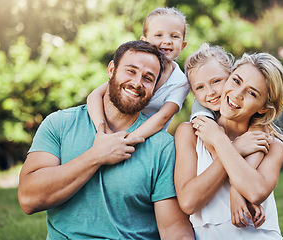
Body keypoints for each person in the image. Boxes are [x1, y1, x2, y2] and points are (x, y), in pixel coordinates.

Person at [18, 40, 195, 240]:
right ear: (112, 69)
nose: (137, 83)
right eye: (131, 71)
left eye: (148, 78)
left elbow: (174, 230)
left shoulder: (162, 147)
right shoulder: (60, 123)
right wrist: (96, 156)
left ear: (154, 88)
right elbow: (28, 199)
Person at [175, 49, 283, 239]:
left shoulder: (272, 146)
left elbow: (254, 192)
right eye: (236, 81)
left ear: (263, 108)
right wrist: (234, 148)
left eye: (252, 93)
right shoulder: (190, 133)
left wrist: (221, 142)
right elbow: (188, 202)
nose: (237, 95)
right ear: (229, 77)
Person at [87, 7, 189, 139]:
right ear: (144, 41)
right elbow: (94, 96)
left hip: (145, 137)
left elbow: (162, 118)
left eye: (174, 36)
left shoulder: (180, 82)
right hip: (114, 129)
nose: (167, 41)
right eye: (159, 35)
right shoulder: (134, 68)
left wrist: (125, 141)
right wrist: (103, 129)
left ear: (183, 45)